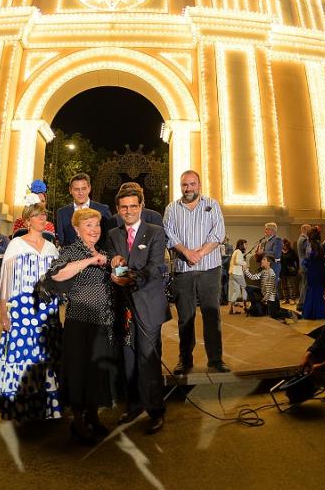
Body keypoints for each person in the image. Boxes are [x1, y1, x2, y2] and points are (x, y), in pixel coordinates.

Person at [48, 208, 119, 444]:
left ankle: (92, 415)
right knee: (79, 370)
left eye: (96, 225)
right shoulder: (70, 251)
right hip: (79, 321)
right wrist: (90, 260)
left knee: (96, 371)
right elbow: (56, 275)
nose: (94, 229)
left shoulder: (105, 252)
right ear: (77, 229)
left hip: (102, 320)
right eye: (88, 225)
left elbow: (119, 277)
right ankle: (77, 420)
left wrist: (120, 271)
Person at [0, 197, 62, 422]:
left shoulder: (51, 247)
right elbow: (6, 282)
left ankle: (45, 408)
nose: (43, 219)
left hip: (47, 309)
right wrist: (3, 312)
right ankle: (22, 409)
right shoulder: (16, 244)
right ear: (28, 221)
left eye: (44, 215)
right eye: (38, 215)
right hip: (22, 309)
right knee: (24, 357)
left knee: (45, 356)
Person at [108, 186, 170, 435]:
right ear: (118, 209)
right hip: (123, 308)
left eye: (133, 206)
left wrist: (130, 277)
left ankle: (156, 410)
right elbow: (113, 261)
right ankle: (133, 405)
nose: (129, 211)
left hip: (148, 307)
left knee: (148, 359)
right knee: (129, 359)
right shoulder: (113, 234)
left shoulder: (155, 232)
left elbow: (156, 268)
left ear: (141, 207)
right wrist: (114, 265)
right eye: (124, 207)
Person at [163, 170, 230, 374]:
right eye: (184, 185)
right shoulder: (171, 209)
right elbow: (168, 233)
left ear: (199, 185)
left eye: (192, 184)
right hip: (184, 270)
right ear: (180, 186)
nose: (188, 188)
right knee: (185, 317)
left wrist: (199, 253)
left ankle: (216, 360)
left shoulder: (212, 205)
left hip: (210, 268)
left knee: (212, 314)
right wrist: (186, 252)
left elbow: (218, 232)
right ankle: (185, 360)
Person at [55, 173, 112, 247]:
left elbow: (109, 238)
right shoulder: (62, 213)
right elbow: (61, 241)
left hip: (98, 256)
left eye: (84, 189)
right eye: (76, 189)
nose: (80, 193)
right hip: (71, 257)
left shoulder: (103, 210)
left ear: (89, 188)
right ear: (70, 190)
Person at [301, 227, 325, 320]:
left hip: (312, 271)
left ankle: (311, 312)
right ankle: (321, 311)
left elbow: (308, 259)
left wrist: (304, 263)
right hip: (320, 270)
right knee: (320, 289)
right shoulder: (320, 245)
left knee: (312, 289)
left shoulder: (309, 245)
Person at [228, 239, 247, 314]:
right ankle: (245, 306)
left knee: (237, 291)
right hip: (237, 274)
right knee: (244, 288)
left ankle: (231, 309)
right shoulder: (238, 252)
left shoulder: (235, 252)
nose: (246, 246)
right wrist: (244, 263)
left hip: (232, 274)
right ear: (242, 245)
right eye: (245, 244)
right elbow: (237, 262)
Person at [296, 224, 312, 311]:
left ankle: (301, 302)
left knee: (303, 284)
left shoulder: (300, 239)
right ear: (306, 230)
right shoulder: (304, 240)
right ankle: (302, 303)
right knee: (305, 285)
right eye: (309, 230)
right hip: (305, 265)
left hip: (301, 265)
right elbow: (308, 253)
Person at [279, 238, 299, 304]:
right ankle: (286, 299)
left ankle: (292, 299)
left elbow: (297, 260)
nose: (282, 246)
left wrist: (297, 268)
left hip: (290, 271)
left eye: (283, 245)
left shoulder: (291, 251)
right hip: (282, 270)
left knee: (290, 285)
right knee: (283, 286)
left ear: (286, 244)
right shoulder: (280, 252)